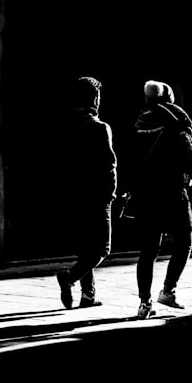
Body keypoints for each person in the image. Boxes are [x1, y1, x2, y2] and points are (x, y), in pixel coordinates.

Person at [128, 80, 192, 319]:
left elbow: (130, 161)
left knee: (147, 251)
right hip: (172, 194)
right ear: (168, 99)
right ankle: (168, 290)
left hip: (147, 195)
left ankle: (144, 303)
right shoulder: (176, 125)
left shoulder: (139, 124)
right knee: (185, 240)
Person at [55, 76, 118, 309]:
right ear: (95, 99)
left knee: (85, 247)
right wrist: (110, 194)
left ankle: (88, 295)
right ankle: (69, 278)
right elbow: (109, 165)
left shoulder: (66, 127)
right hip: (97, 197)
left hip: (73, 196)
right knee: (102, 247)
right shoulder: (100, 128)